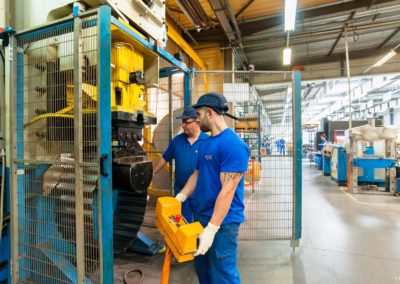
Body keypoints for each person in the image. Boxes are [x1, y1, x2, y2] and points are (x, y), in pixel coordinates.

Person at [176, 92, 250, 284]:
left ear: (209, 113)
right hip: (200, 217)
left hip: (223, 224)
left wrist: (212, 228)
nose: (197, 120)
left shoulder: (233, 145)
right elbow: (197, 174)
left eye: (198, 115)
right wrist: (180, 197)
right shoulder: (207, 143)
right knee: (204, 270)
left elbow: (228, 191)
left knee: (222, 274)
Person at [152, 107, 208, 222]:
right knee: (183, 222)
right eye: (183, 122)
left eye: (186, 122)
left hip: (200, 193)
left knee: (200, 223)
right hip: (180, 191)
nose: (183, 125)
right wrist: (153, 172)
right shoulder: (177, 141)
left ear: (197, 122)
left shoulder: (207, 142)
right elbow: (165, 158)